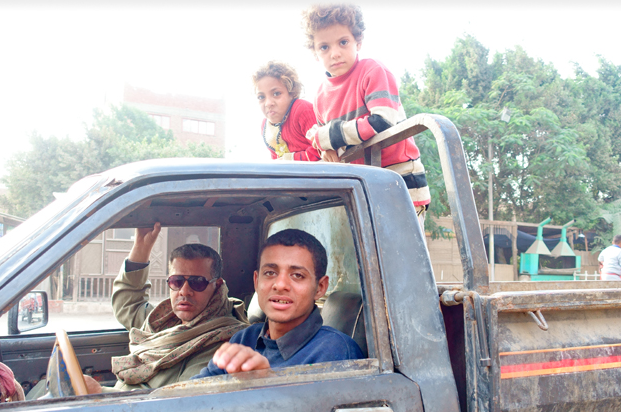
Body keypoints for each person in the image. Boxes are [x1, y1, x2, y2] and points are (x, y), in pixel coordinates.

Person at [302, 3, 431, 232]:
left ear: (358, 42)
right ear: (314, 52)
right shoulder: (320, 96)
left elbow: (382, 122)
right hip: (361, 188)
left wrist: (329, 136)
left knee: (402, 256)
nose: (335, 53)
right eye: (324, 47)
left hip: (399, 183)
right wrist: (326, 148)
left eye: (343, 42)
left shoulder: (373, 71)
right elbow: (328, 144)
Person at [191, 229, 364, 378]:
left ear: (320, 287)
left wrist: (265, 382)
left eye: (297, 275)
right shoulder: (245, 339)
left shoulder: (335, 352)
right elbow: (195, 393)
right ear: (256, 281)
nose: (280, 285)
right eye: (270, 272)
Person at [109, 222, 248, 389]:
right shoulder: (164, 321)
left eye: (197, 282)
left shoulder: (222, 341)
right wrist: (141, 246)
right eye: (177, 281)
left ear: (217, 285)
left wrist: (100, 393)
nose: (184, 291)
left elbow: (176, 400)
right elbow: (128, 305)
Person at [253, 61, 320, 162]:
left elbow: (320, 151)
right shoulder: (266, 127)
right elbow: (276, 160)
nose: (268, 103)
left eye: (276, 94)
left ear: (292, 93)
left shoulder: (302, 110)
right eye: (261, 97)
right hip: (292, 176)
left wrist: (287, 160)